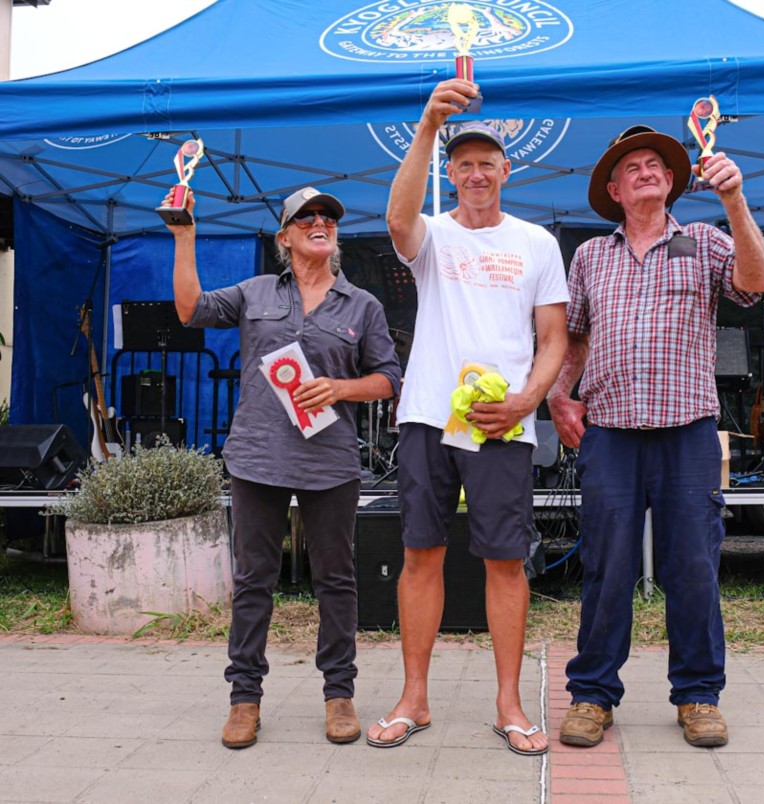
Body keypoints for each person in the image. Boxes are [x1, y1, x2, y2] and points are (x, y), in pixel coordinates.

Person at [547, 126, 764, 749]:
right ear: (615, 191)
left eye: (655, 164)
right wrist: (560, 394)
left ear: (672, 181)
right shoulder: (590, 256)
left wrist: (734, 200)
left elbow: (755, 283)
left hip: (688, 430)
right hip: (611, 432)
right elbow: (576, 336)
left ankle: (699, 695)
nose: (645, 171)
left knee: (694, 566)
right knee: (605, 567)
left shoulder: (705, 240)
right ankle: (592, 694)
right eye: (632, 168)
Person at [365, 79, 568, 757]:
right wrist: (428, 125)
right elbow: (397, 220)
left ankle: (509, 704)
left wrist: (527, 401)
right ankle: (413, 699)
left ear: (507, 170)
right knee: (419, 555)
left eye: (487, 163)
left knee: (506, 562)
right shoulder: (434, 235)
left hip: (502, 424)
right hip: (428, 415)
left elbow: (554, 339)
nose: (476, 173)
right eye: (463, 164)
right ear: (448, 174)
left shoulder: (537, 242)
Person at [167, 186, 402, 749]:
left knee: (336, 580)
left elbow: (390, 379)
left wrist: (341, 388)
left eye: (328, 218)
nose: (320, 223)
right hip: (257, 458)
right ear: (285, 237)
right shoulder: (253, 292)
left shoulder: (362, 305)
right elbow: (190, 309)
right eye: (307, 218)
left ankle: (339, 694)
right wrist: (184, 237)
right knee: (254, 580)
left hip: (330, 463)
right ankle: (244, 698)